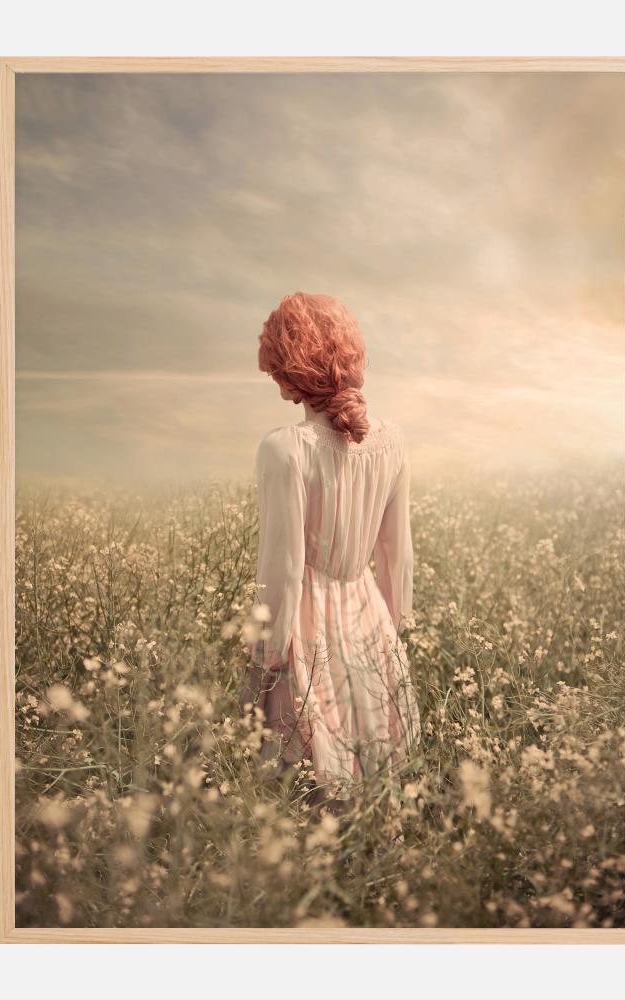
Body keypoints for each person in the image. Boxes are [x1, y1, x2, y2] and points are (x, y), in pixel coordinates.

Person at [239, 291, 421, 814]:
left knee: (301, 787)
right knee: (371, 776)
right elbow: (397, 556)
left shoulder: (284, 448)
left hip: (307, 626)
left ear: (291, 364)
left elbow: (284, 569)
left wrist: (265, 661)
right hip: (368, 618)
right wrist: (390, 640)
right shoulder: (392, 442)